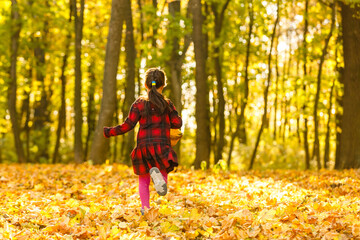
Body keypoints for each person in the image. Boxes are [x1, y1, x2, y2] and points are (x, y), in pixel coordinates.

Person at [103, 68, 182, 215]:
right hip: (161, 146)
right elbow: (177, 123)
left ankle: (145, 208)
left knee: (143, 180)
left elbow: (128, 125)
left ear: (146, 85)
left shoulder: (139, 104)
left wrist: (109, 131)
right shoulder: (167, 104)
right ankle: (160, 180)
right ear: (163, 85)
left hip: (144, 148)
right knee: (162, 170)